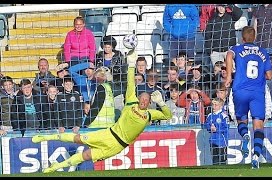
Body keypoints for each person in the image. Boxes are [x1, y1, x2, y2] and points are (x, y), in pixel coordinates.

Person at [31, 49, 173, 173]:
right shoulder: (129, 100)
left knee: (86, 156)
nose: (143, 102)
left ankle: (56, 167)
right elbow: (130, 82)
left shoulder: (148, 114)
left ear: (149, 103)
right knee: (78, 139)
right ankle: (45, 138)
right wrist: (130, 64)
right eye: (142, 99)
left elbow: (168, 115)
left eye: (146, 101)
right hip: (108, 133)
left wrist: (161, 103)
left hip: (117, 145)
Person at [224, 26, 272, 169]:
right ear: (255, 38)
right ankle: (256, 157)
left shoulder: (237, 49)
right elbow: (269, 75)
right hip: (257, 92)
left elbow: (228, 55)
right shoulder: (263, 52)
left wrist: (228, 76)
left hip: (240, 90)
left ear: (242, 38)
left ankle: (245, 135)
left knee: (242, 120)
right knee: (258, 125)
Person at [204, 97, 229, 165]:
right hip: (212, 141)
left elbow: (226, 128)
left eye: (216, 105)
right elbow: (206, 125)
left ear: (221, 106)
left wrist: (217, 130)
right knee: (214, 161)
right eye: (213, 104)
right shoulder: (210, 116)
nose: (214, 107)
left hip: (221, 142)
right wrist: (210, 128)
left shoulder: (223, 116)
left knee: (222, 161)